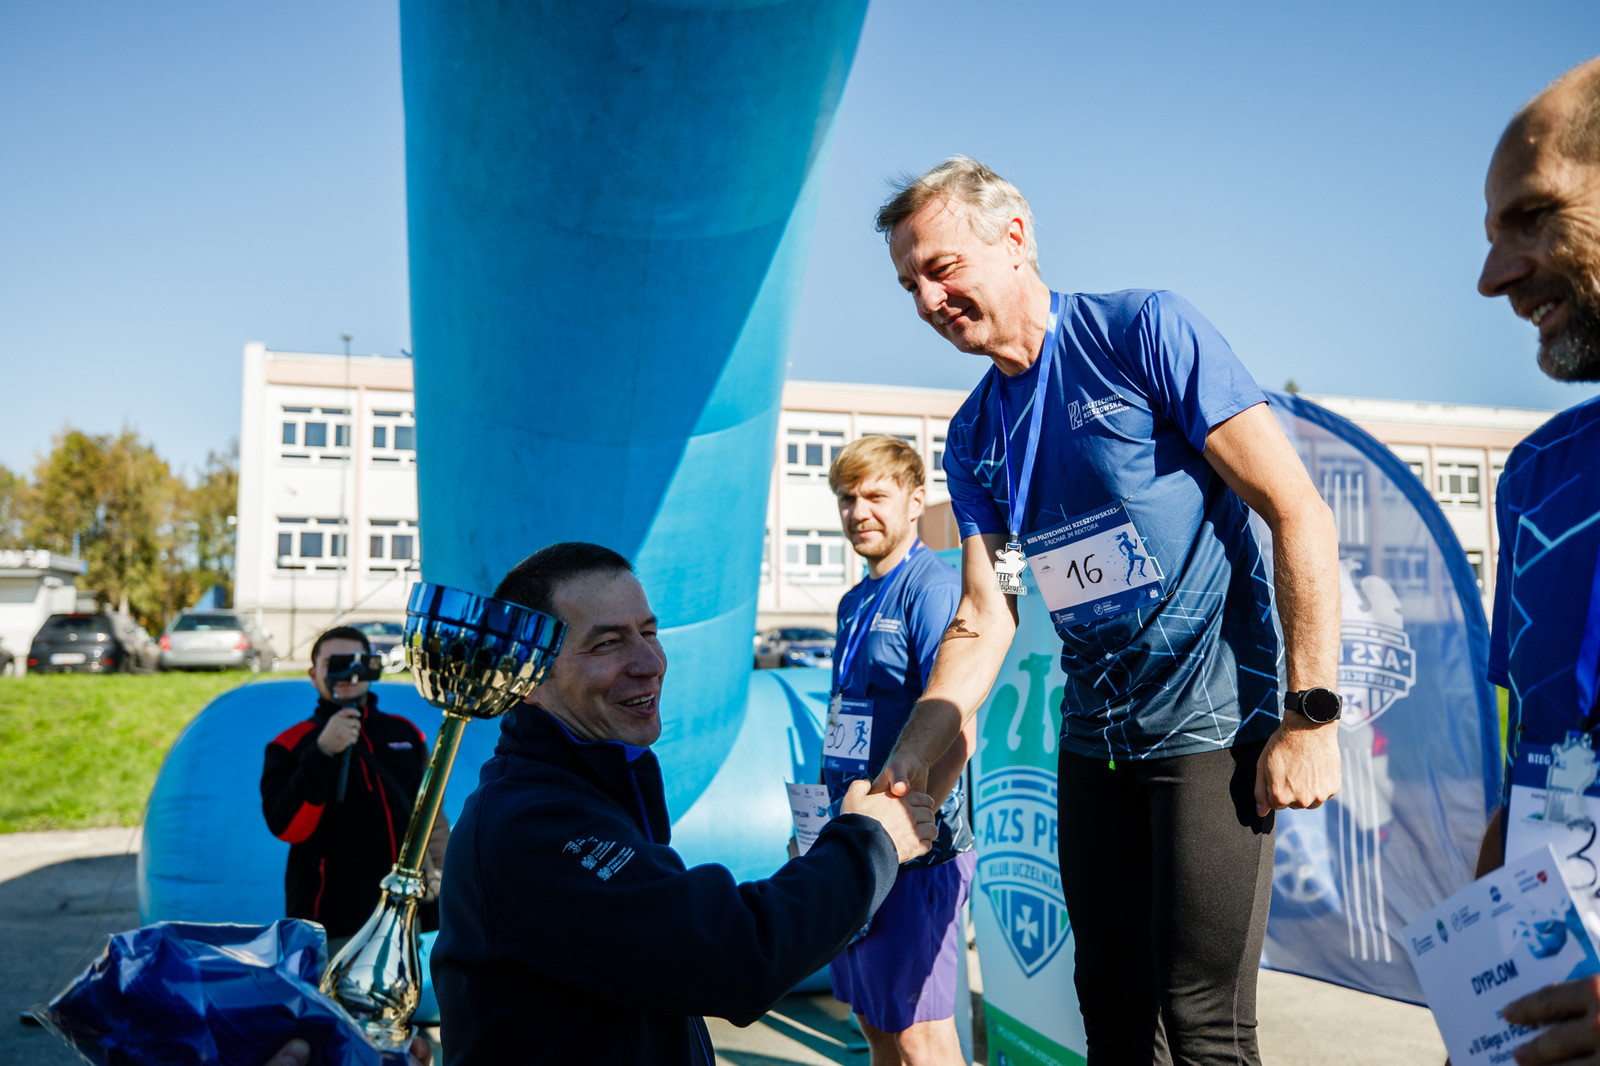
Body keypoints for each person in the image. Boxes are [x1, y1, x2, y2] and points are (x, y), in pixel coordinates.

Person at [870, 157, 1343, 1064]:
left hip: (1211, 728)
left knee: (1202, 1022)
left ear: (1014, 237)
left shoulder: (1140, 332)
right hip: (1097, 742)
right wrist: (909, 762)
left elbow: (1298, 512)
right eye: (909, 285)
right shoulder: (973, 435)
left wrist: (1311, 716)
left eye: (940, 267)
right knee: (1112, 1016)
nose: (927, 300)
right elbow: (986, 616)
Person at [428, 542, 940, 1065]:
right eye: (607, 643)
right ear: (529, 675)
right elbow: (734, 956)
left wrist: (824, 868)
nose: (651, 664)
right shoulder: (528, 825)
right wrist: (867, 843)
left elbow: (669, 950)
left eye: (649, 633)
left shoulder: (589, 784)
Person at [1467, 57, 1600, 1064]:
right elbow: (1533, 763)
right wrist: (1478, 1003)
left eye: (1535, 215)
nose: (1493, 277)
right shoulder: (1535, 474)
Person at [821, 436, 972, 1066]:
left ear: (915, 502)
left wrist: (913, 821)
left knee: (920, 1036)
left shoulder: (930, 589)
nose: (859, 512)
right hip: (855, 840)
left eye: (875, 496)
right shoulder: (852, 601)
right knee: (875, 1024)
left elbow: (958, 720)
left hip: (915, 852)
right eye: (847, 498)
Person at [261, 625, 449, 955]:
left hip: (406, 916)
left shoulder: (406, 733)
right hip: (331, 922)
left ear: (371, 668)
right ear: (313, 675)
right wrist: (322, 753)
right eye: (333, 663)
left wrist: (443, 882)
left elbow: (429, 816)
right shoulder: (289, 744)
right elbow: (288, 827)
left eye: (356, 661)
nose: (347, 673)